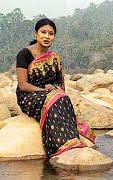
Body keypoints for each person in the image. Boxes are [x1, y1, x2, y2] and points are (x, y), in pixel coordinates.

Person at [15, 18, 96, 159]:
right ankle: (59, 145)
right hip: (29, 95)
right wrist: (44, 91)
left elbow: (60, 85)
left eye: (51, 33)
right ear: (36, 34)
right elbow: (23, 85)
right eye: (43, 32)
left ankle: (71, 139)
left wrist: (55, 89)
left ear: (54, 36)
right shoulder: (25, 54)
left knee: (62, 98)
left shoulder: (55, 57)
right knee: (55, 99)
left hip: (51, 94)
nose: (47, 36)